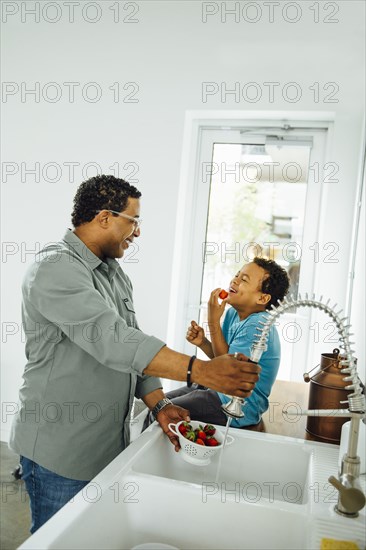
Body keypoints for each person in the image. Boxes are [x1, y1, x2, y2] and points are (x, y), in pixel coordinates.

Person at [9, 175, 259, 534]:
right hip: (59, 450)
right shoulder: (55, 269)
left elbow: (133, 341)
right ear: (105, 218)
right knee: (58, 540)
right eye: (134, 221)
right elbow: (112, 341)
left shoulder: (114, 274)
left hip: (103, 444)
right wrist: (201, 371)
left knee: (89, 538)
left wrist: (159, 403)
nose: (137, 233)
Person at [161, 258, 290, 429]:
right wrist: (203, 342)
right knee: (159, 404)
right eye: (237, 275)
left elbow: (230, 372)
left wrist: (213, 321)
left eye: (244, 280)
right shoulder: (232, 314)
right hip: (217, 389)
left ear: (262, 298)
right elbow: (223, 358)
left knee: (161, 412)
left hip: (239, 407)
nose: (235, 280)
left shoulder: (258, 326)